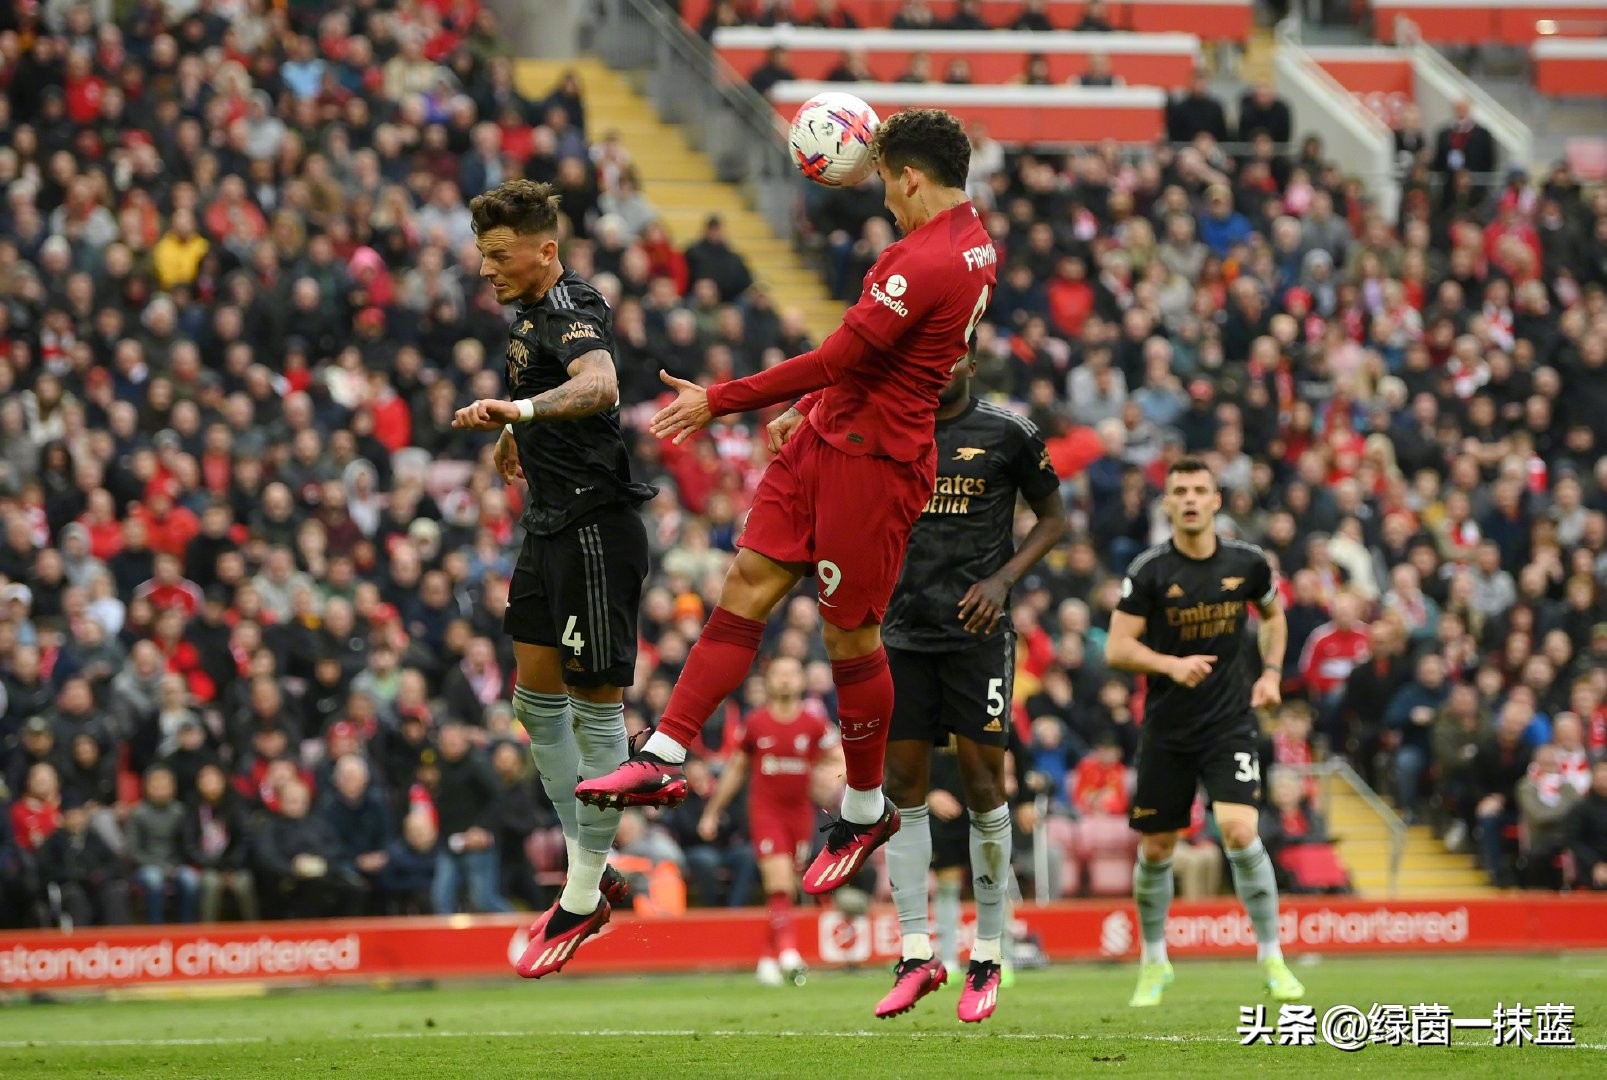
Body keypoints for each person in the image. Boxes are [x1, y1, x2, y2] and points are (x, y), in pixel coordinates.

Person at [578, 109, 999, 907]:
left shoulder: (928, 259)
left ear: (910, 176)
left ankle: (865, 808)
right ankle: (666, 749)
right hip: (828, 439)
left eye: (884, 184)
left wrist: (721, 400)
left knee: (848, 638)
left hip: (876, 464)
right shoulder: (968, 243)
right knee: (744, 586)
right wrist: (809, 412)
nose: (882, 200)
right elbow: (884, 358)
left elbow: (842, 355)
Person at [451, 179, 657, 977]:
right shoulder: (527, 316)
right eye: (481, 256)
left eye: (499, 257)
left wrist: (524, 415)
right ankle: (588, 868)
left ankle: (579, 897)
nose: (485, 270)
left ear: (545, 249)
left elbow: (601, 383)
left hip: (595, 530)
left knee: (593, 705)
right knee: (533, 701)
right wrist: (517, 437)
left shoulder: (573, 303)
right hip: (547, 524)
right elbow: (553, 393)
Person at [874, 350, 1065, 1023]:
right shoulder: (891, 426)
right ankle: (915, 951)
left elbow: (1054, 520)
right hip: (902, 632)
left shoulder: (1008, 434)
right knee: (902, 787)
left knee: (985, 786)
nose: (940, 361)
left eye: (952, 348)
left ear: (972, 359)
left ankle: (986, 953)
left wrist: (1004, 581)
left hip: (978, 636)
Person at [1105, 456, 1305, 1007]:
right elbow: (1117, 648)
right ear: (1167, 503)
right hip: (1167, 730)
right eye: (1179, 491)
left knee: (1241, 832)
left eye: (1200, 490)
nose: (1190, 499)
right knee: (1157, 849)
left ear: (1217, 500)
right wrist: (1171, 666)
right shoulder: (1149, 571)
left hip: (1229, 724)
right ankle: (1153, 962)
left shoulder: (1250, 564)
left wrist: (1269, 673)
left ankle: (1272, 957)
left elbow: (1274, 617)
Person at [698, 657, 843, 986]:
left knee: (787, 887)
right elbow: (736, 769)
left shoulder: (814, 724)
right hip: (766, 812)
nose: (786, 680)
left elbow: (840, 759)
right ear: (769, 680)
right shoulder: (755, 723)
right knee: (778, 882)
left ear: (802, 680)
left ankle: (767, 958)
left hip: (800, 814)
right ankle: (790, 953)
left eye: (792, 674)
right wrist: (712, 811)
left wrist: (833, 780)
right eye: (779, 674)